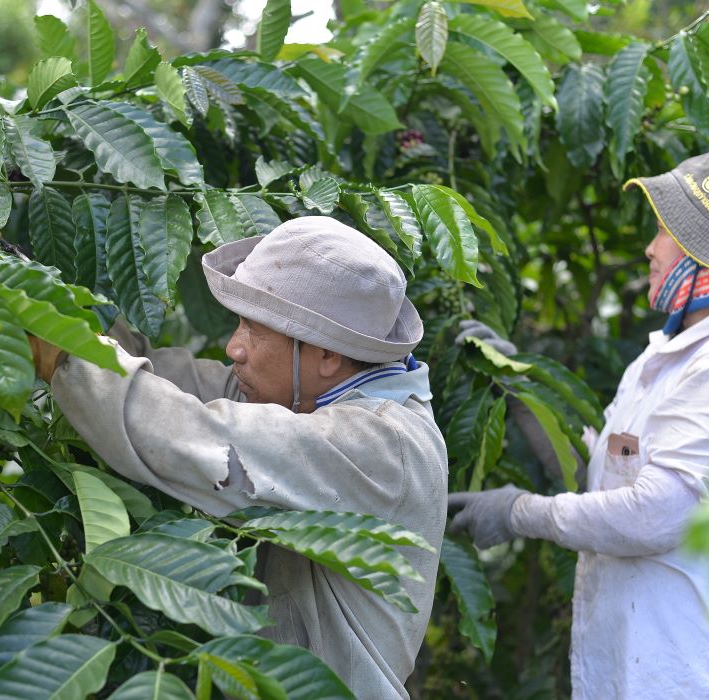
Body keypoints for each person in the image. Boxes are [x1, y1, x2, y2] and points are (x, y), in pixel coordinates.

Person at [31, 216, 448, 699]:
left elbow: (194, 436)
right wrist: (28, 289)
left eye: (254, 328)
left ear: (327, 356)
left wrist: (60, 355)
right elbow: (174, 383)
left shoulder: (382, 444)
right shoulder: (309, 396)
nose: (234, 346)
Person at [449, 150, 709, 699]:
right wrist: (523, 397)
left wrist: (520, 513)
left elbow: (654, 513)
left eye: (665, 232)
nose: (650, 249)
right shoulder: (669, 356)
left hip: (700, 678)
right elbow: (608, 482)